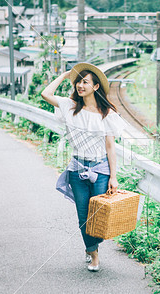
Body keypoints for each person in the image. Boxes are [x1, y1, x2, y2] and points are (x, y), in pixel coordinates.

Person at [41, 63, 126, 272]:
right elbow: (45, 93)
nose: (80, 85)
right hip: (77, 169)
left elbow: (110, 148)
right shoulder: (70, 107)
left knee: (98, 216)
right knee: (83, 215)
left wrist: (114, 177)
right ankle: (93, 254)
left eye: (85, 82)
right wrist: (63, 74)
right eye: (78, 81)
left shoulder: (107, 114)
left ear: (96, 87)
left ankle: (92, 244)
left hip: (101, 170)